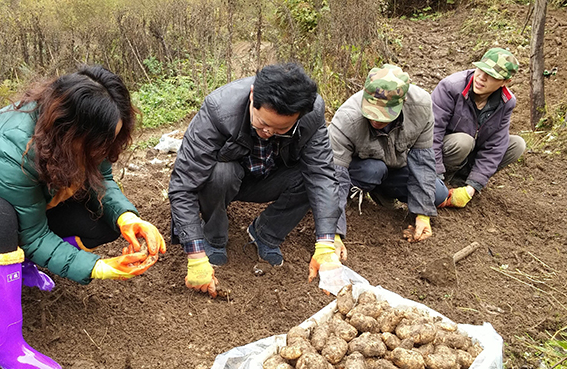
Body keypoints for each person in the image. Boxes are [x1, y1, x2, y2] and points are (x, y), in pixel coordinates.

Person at [0, 65, 166, 369]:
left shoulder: (84, 128)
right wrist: (96, 267)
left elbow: (104, 181)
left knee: (102, 216)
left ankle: (21, 266)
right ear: (70, 129)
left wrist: (128, 217)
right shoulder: (15, 147)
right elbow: (31, 233)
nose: (104, 149)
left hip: (20, 207)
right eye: (100, 142)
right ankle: (3, 345)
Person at [168, 62, 344, 298]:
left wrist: (325, 243)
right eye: (262, 124)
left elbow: (322, 175)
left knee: (310, 176)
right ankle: (214, 236)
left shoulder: (311, 113)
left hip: (270, 176)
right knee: (219, 173)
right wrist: (195, 253)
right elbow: (183, 185)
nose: (268, 132)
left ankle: (265, 233)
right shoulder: (219, 109)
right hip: (228, 178)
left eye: (281, 129)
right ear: (252, 96)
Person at [329, 64, 449, 243]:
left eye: (384, 114)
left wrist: (422, 214)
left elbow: (422, 160)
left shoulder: (421, 107)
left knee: (438, 194)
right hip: (361, 170)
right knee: (372, 170)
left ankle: (383, 192)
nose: (376, 119)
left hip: (395, 166)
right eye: (372, 112)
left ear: (403, 101)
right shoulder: (347, 118)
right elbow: (334, 176)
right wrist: (334, 234)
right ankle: (356, 193)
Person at [432, 47, 526, 208]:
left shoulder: (507, 102)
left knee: (517, 145)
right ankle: (444, 180)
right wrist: (436, 179)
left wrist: (472, 188)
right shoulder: (451, 87)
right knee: (463, 141)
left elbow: (495, 146)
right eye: (480, 70)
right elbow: (432, 134)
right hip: (444, 154)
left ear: (505, 82)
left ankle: (462, 182)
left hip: (470, 156)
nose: (481, 78)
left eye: (491, 76)